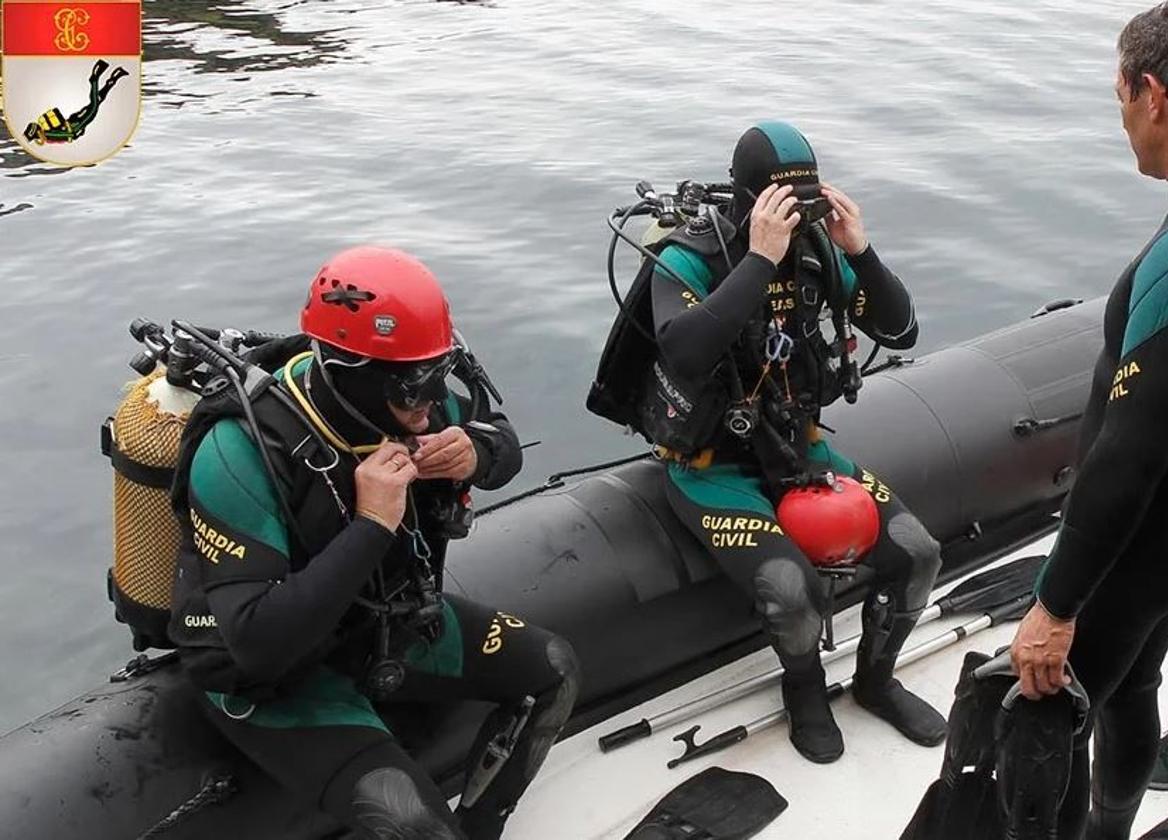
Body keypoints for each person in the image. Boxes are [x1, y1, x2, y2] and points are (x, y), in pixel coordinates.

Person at [167, 246, 580, 840]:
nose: (434, 400)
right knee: (412, 823)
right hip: (277, 676)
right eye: (417, 384)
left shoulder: (416, 397)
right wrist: (372, 525)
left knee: (555, 670)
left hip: (378, 623)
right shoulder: (239, 451)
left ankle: (481, 827)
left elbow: (502, 441)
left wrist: (476, 452)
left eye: (441, 371)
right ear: (346, 372)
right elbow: (257, 643)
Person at [640, 121, 946, 763]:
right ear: (748, 198)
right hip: (711, 465)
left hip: (799, 447)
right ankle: (803, 688)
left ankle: (874, 680)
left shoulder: (818, 252)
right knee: (789, 587)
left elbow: (902, 330)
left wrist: (858, 251)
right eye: (783, 200)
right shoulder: (689, 257)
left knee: (917, 553)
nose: (798, 213)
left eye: (807, 198)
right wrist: (758, 258)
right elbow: (685, 351)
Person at [1008, 2, 1168, 837]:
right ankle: (1110, 828)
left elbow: (1128, 454)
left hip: (1138, 541)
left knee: (1045, 713)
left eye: (1119, 95)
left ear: (1152, 93)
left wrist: (1054, 605)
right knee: (1136, 686)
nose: (1121, 115)